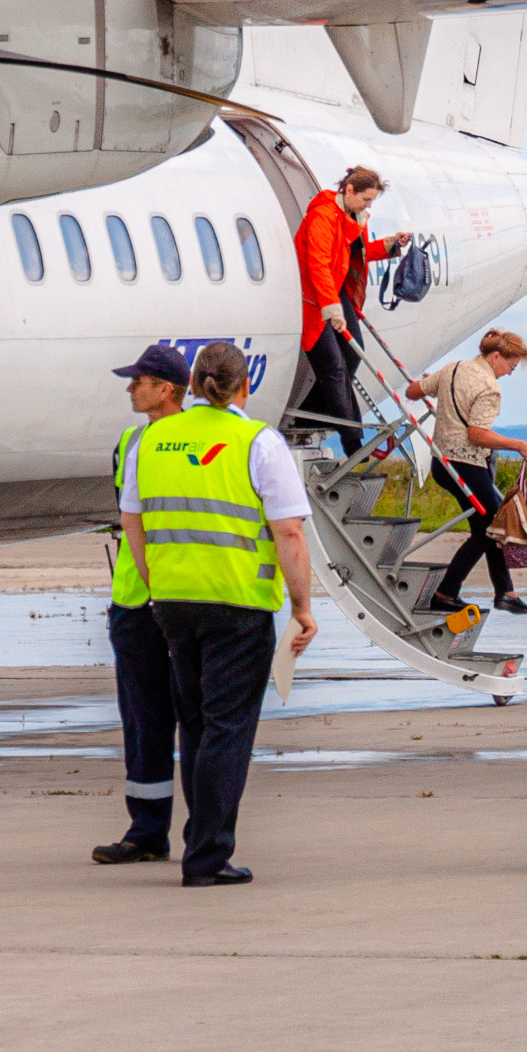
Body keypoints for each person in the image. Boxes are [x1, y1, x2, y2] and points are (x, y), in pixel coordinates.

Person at [121, 341, 317, 888]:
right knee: (228, 729)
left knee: (197, 726)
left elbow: (131, 519)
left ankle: (200, 842)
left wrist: (156, 580)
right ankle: (206, 856)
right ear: (243, 386)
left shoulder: (150, 440)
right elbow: (289, 532)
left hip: (173, 603)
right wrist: (302, 607)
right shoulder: (258, 441)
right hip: (237, 604)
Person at [92, 342, 188, 867]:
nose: (131, 388)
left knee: (187, 717)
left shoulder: (194, 441)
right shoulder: (130, 441)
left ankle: (200, 831)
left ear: (165, 389)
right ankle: (147, 830)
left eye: (139, 381)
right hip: (134, 598)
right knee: (143, 719)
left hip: (175, 596)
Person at [406, 329, 527, 618]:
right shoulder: (490, 388)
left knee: (488, 527)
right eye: (510, 366)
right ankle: (448, 592)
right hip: (467, 466)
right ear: (496, 357)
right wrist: (517, 444)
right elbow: (477, 434)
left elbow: (412, 392)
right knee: (492, 528)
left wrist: (441, 388)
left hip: (441, 464)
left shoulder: (453, 367)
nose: (509, 373)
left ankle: (505, 593)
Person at [295, 166, 413, 456]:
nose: (368, 206)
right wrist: (331, 308)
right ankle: (352, 440)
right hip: (314, 298)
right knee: (334, 367)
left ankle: (309, 413)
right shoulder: (322, 217)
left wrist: (389, 247)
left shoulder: (351, 217)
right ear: (349, 190)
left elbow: (354, 254)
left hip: (332, 291)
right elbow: (317, 264)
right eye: (366, 199)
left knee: (351, 352)